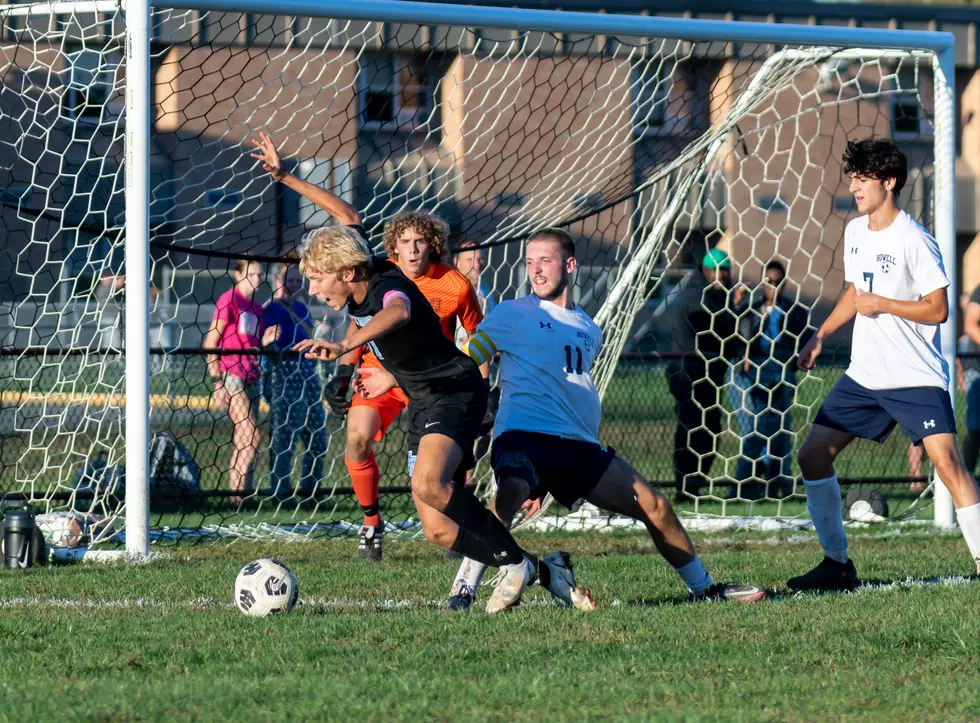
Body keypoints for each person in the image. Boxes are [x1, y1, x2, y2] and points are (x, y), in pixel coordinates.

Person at [442, 228, 765, 611]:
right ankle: (462, 590)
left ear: (570, 264)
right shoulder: (512, 313)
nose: (536, 270)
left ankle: (704, 588)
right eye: (530, 262)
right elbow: (468, 358)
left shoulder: (588, 328)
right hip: (523, 437)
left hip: (578, 448)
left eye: (545, 260)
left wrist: (550, 479)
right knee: (508, 494)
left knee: (657, 507)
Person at [289, 224, 575, 614]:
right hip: (422, 400)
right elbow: (345, 215)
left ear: (347, 272)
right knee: (437, 529)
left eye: (317, 279)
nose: (312, 289)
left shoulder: (386, 285)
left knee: (429, 483)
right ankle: (543, 571)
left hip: (454, 390)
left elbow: (398, 310)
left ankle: (513, 565)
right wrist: (287, 176)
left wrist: (344, 345)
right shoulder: (359, 274)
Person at [789, 137, 980, 591]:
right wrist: (821, 335)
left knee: (949, 466)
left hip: (914, 376)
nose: (854, 186)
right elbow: (856, 296)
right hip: (865, 375)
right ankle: (836, 565)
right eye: (852, 176)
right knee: (813, 455)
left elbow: (938, 309)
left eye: (863, 177)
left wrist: (887, 304)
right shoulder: (855, 231)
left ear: (889, 182)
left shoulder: (915, 239)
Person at [651, 248, 739, 499]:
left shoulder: (717, 296)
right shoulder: (696, 295)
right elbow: (707, 321)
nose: (720, 276)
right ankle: (685, 488)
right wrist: (735, 310)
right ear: (705, 270)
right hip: (688, 374)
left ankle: (693, 486)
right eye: (715, 270)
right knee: (693, 428)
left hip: (707, 375)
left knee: (708, 429)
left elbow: (726, 336)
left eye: (725, 270)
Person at [730, 260, 809, 498]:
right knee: (757, 429)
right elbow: (736, 333)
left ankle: (777, 482)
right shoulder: (751, 311)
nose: (773, 287)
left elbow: (803, 338)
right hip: (757, 377)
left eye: (777, 282)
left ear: (784, 284)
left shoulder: (795, 312)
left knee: (781, 431)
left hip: (782, 375)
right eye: (769, 282)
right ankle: (744, 482)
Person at [204, 259, 273, 504]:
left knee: (243, 439)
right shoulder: (228, 300)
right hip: (231, 374)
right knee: (251, 434)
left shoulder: (257, 308)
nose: (257, 279)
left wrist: (265, 341)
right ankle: (237, 497)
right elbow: (211, 343)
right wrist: (217, 382)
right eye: (252, 274)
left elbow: (253, 345)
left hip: (252, 376)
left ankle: (241, 497)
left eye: (260, 274)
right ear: (237, 274)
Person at [263, 253, 327, 498]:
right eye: (287, 279)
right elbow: (266, 346)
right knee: (284, 439)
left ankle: (311, 491)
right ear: (277, 280)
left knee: (317, 437)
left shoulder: (301, 308)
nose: (292, 283)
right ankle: (280, 492)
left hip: (308, 373)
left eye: (296, 279)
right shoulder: (270, 309)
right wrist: (268, 343)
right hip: (284, 374)